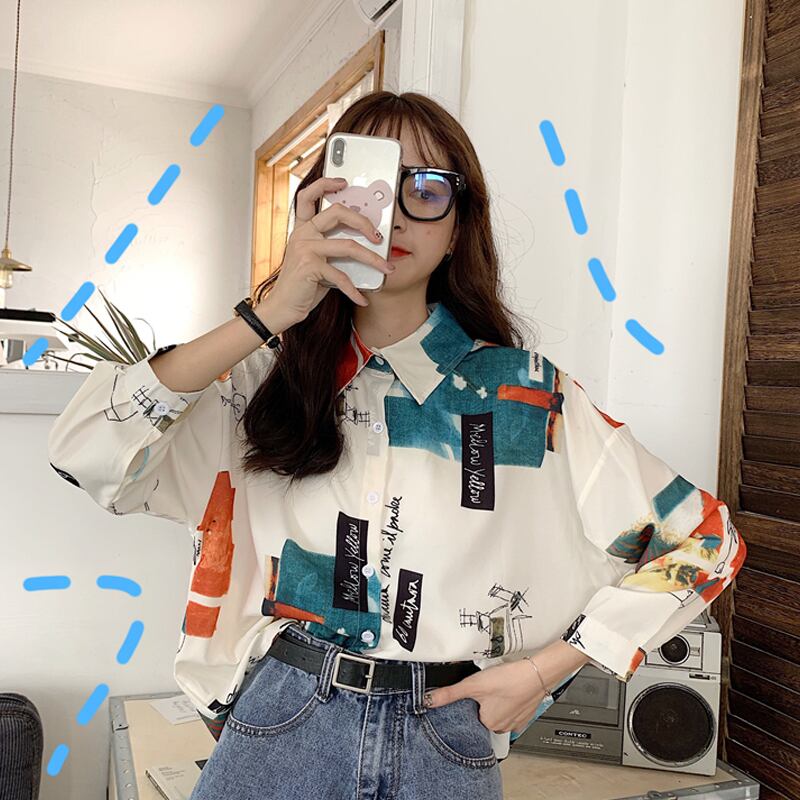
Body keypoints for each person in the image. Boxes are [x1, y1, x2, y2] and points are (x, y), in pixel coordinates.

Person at [47, 91, 746, 800]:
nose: (397, 212)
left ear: (458, 226)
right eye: (370, 184)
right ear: (320, 203)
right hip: (282, 715)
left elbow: (708, 541)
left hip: (448, 728)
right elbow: (84, 451)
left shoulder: (527, 396)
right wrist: (271, 311)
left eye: (429, 189)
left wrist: (544, 672)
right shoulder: (259, 383)